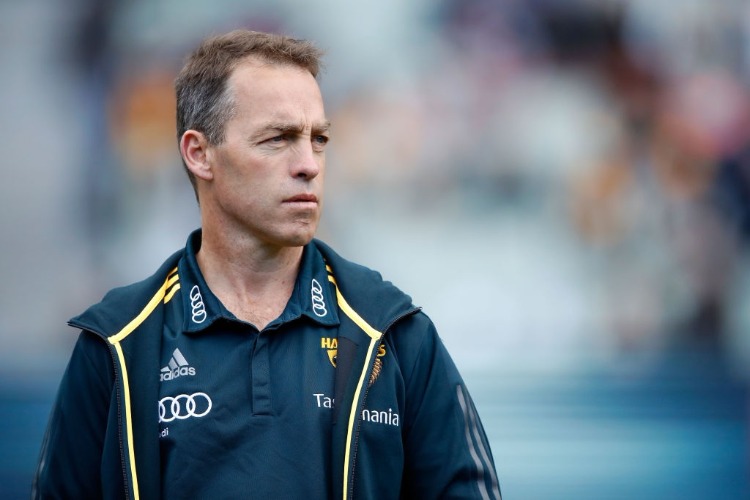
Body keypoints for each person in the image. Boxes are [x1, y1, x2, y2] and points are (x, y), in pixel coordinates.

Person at [33, 29, 501, 499]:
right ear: (199, 154)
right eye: (278, 138)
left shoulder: (394, 334)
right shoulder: (117, 343)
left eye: (318, 139)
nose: (309, 164)